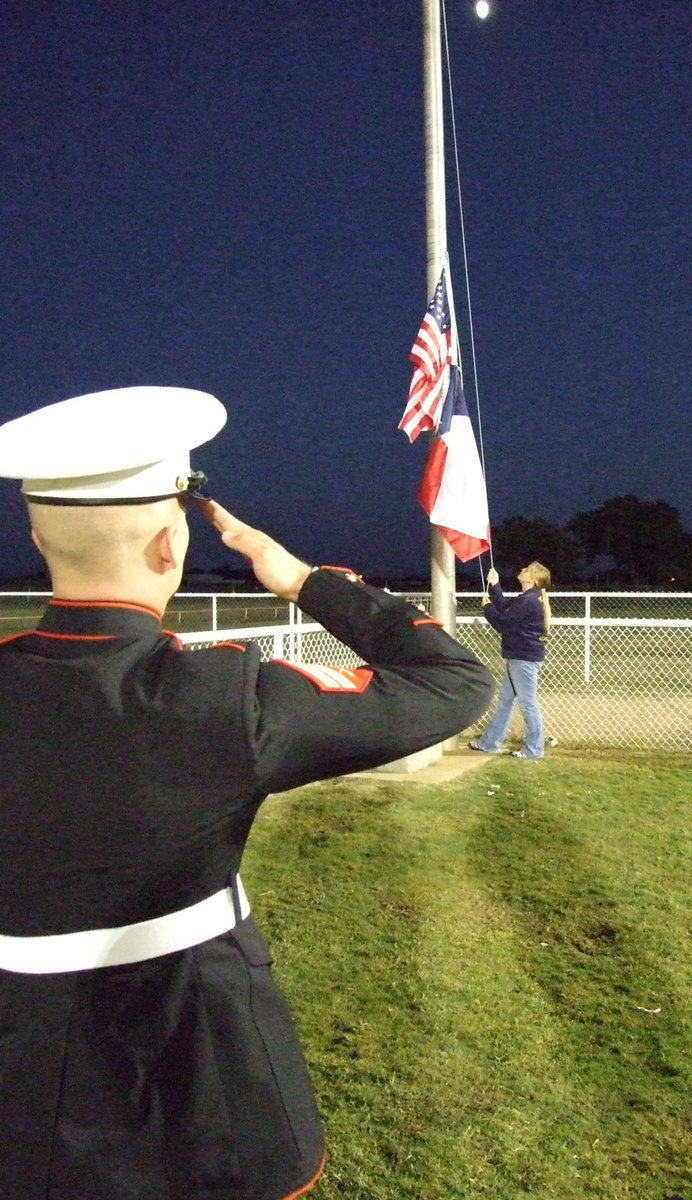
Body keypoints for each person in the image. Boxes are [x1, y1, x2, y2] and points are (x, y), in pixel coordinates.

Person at [0, 386, 493, 1200]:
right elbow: (453, 683)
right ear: (171, 543)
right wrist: (302, 579)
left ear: (35, 534)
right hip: (199, 1063)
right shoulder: (224, 699)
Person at [468, 562, 551, 759]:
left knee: (528, 703)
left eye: (526, 569)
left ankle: (534, 748)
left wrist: (487, 608)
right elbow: (507, 608)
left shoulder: (529, 600)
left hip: (523, 658)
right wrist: (495, 585)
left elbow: (502, 623)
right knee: (505, 700)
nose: (521, 569)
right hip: (521, 657)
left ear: (533, 579)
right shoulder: (529, 598)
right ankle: (489, 743)